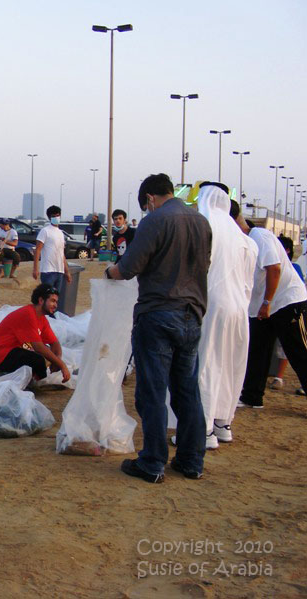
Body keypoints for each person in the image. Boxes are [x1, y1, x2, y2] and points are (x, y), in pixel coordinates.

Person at [106, 173, 212, 482]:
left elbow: (129, 267)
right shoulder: (200, 222)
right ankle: (192, 461)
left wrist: (112, 272)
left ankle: (152, 462)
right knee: (187, 391)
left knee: (152, 391)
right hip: (192, 315)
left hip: (158, 314)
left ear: (150, 198)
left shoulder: (155, 221)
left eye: (145, 206)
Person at [180, 189, 256, 449]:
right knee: (230, 367)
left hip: (213, 306)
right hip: (238, 310)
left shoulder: (206, 225)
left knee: (205, 366)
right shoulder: (244, 238)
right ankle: (223, 424)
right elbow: (248, 283)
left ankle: (204, 430)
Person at [236, 215, 307, 407]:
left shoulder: (260, 236)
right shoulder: (243, 244)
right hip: (262, 308)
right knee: (258, 351)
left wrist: (267, 302)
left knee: (299, 352)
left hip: (286, 301)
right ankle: (252, 397)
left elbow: (274, 269)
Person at [0, 283, 70, 383]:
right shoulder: (28, 314)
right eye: (53, 301)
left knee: (48, 354)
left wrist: (57, 360)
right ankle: (39, 382)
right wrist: (62, 365)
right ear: (41, 300)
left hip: (14, 350)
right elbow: (38, 347)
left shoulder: (41, 318)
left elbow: (55, 343)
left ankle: (35, 378)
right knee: (38, 359)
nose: (55, 305)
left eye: (56, 302)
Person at [269, 235, 303, 391]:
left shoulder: (293, 268)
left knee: (295, 350)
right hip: (274, 309)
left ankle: (279, 377)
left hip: (289, 307)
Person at [32, 205, 71, 290]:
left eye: (57, 215)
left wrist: (67, 271)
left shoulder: (61, 233)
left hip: (59, 271)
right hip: (47, 271)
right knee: (47, 297)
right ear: (49, 218)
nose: (56, 218)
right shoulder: (45, 231)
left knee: (55, 299)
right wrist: (35, 269)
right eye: (53, 216)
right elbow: (38, 250)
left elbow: (62, 254)